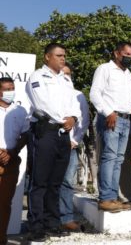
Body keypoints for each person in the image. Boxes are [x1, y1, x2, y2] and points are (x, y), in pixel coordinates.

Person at [25, 43, 81, 241]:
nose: (62, 58)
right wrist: (63, 119)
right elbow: (42, 103)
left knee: (55, 182)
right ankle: (36, 226)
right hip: (46, 131)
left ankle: (52, 223)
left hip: (63, 134)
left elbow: (74, 103)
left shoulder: (65, 79)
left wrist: (73, 117)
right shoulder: (37, 77)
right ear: (47, 57)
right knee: (39, 181)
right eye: (59, 55)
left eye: (64, 55)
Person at [90, 41, 131, 212]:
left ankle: (113, 197)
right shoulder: (105, 69)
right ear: (117, 53)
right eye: (126, 54)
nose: (129, 57)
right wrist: (108, 112)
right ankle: (105, 198)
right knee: (109, 157)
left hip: (125, 120)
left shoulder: (129, 74)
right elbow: (95, 93)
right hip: (111, 117)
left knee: (118, 159)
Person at [59, 64, 90, 231]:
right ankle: (46, 219)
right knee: (47, 182)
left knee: (67, 182)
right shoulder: (48, 94)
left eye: (68, 74)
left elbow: (84, 121)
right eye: (61, 74)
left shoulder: (78, 95)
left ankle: (66, 218)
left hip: (70, 146)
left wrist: (75, 140)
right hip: (50, 144)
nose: (65, 77)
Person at [0, 77, 29, 245]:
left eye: (12, 88)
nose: (10, 92)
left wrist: (12, 151)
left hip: (11, 161)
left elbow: (25, 134)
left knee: (4, 203)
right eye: (6, 89)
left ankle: (2, 238)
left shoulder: (20, 111)